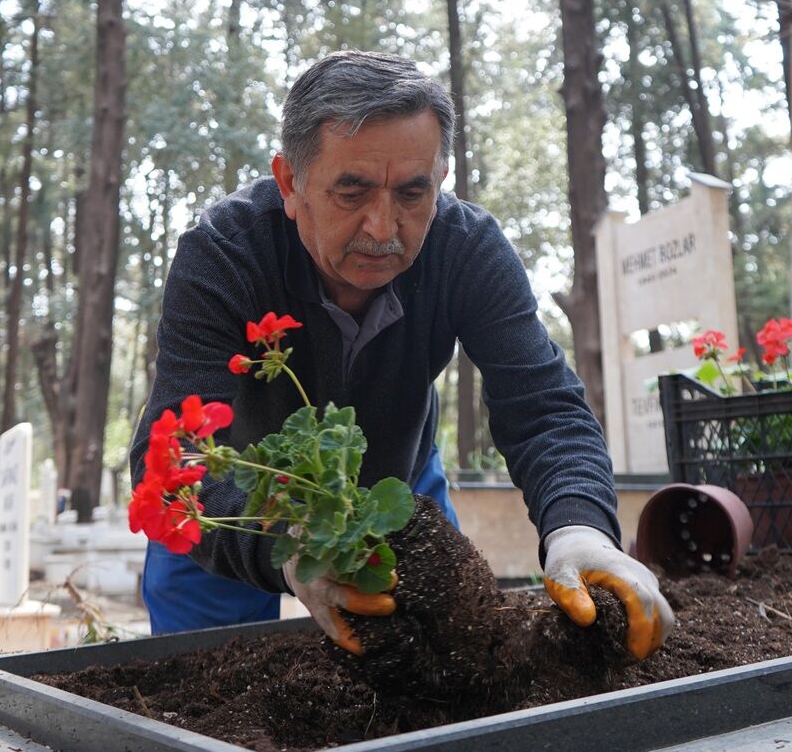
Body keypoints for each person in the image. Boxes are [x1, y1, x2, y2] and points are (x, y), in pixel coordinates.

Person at [129, 51, 674, 660]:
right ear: (290, 183)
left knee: (448, 663)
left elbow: (544, 408)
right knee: (209, 679)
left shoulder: (468, 250)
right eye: (351, 191)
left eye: (413, 193)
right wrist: (291, 554)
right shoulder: (223, 253)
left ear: (440, 180)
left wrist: (579, 530)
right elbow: (172, 454)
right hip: (230, 508)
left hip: (397, 487)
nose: (383, 228)